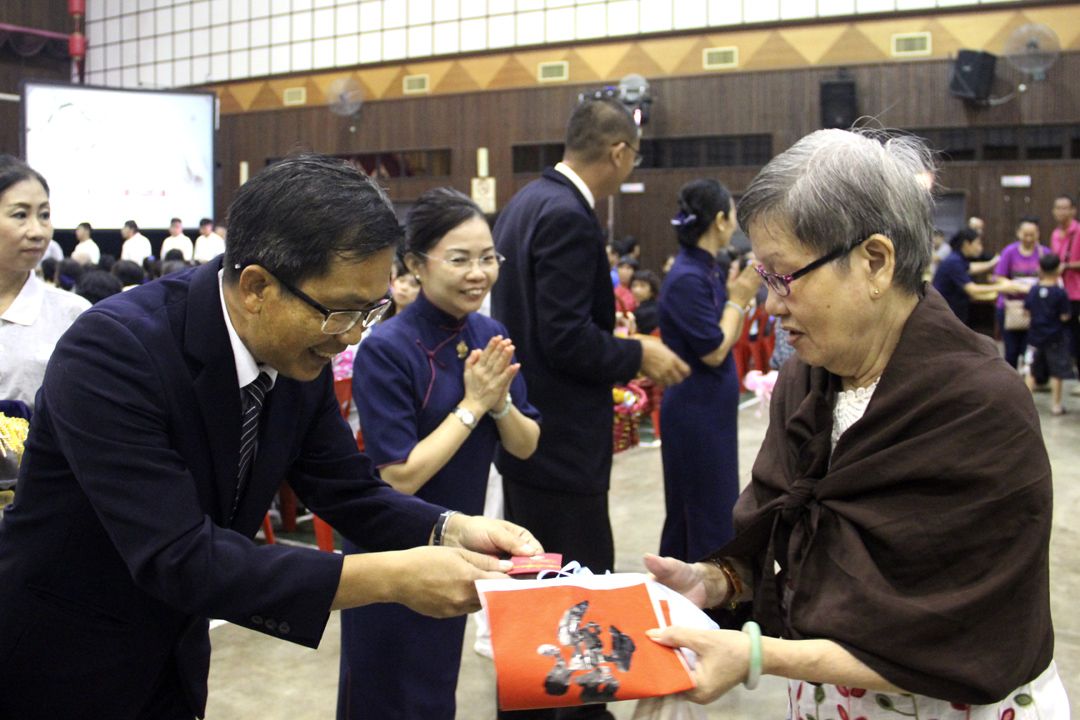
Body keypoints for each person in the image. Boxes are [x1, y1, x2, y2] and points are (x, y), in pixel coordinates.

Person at [0, 154, 542, 720]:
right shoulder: (114, 351)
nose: (352, 339)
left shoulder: (294, 350)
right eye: (342, 313)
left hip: (173, 652)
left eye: (371, 312)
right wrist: (391, 577)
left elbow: (348, 489)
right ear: (257, 285)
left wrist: (450, 529)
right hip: (63, 652)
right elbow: (178, 554)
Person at [644, 129, 1066, 718]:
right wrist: (716, 581)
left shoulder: (980, 403)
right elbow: (783, 529)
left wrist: (758, 655)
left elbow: (967, 636)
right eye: (762, 279)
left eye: (783, 276)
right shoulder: (807, 378)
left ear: (874, 261)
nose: (770, 305)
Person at [491, 96, 689, 720]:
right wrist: (639, 355)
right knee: (577, 584)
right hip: (562, 438)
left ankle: (530, 703)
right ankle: (577, 708)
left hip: (526, 430)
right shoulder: (569, 216)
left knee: (532, 586)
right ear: (619, 152)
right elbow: (567, 339)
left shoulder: (526, 203)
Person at [339, 188, 541, 719]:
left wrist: (498, 406)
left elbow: (526, 444)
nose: (478, 273)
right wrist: (473, 406)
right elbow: (399, 475)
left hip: (458, 549)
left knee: (433, 691)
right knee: (384, 695)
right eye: (459, 259)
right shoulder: (387, 348)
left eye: (487, 258)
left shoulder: (489, 334)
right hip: (394, 551)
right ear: (414, 264)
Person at [657, 179, 761, 562]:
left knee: (708, 508)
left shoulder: (706, 270)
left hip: (709, 407)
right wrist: (738, 299)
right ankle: (704, 601)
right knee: (704, 513)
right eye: (732, 213)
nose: (735, 222)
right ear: (719, 220)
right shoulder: (687, 277)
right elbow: (715, 349)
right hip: (694, 409)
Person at [0, 156, 90, 488]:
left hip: (36, 507)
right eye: (20, 215)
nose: (37, 231)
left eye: (44, 215)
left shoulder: (74, 316)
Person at [992, 216, 1049, 372]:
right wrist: (1018, 287)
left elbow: (1050, 279)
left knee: (1030, 350)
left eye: (1032, 234)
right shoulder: (1009, 251)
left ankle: (1029, 382)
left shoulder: (1044, 253)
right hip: (1009, 308)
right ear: (1018, 233)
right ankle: (1010, 383)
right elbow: (998, 277)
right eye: (1025, 234)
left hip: (1035, 310)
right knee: (1010, 351)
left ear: (1038, 233)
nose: (1029, 238)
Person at [932, 227, 1020, 326]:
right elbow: (972, 289)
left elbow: (971, 267)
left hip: (951, 310)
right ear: (966, 244)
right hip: (946, 313)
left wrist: (993, 262)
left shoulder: (957, 258)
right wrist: (1003, 287)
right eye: (977, 243)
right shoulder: (954, 262)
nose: (980, 247)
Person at [1024, 253, 1072, 415]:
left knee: (1031, 369)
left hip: (1034, 336)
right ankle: (1056, 405)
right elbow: (1065, 316)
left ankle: (1026, 403)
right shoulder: (1060, 292)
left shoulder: (1034, 289)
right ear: (1058, 269)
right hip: (1055, 338)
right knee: (1056, 371)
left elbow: (1026, 311)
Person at [1049, 194, 1080, 385]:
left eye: (1065, 207)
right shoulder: (1054, 234)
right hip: (1058, 292)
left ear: (1073, 210)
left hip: (1076, 293)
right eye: (1057, 207)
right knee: (1062, 338)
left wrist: (1067, 266)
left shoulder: (1078, 231)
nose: (1061, 211)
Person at [629, 269, 660, 336]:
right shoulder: (656, 305)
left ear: (652, 291)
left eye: (642, 286)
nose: (636, 290)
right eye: (634, 285)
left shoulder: (646, 313)